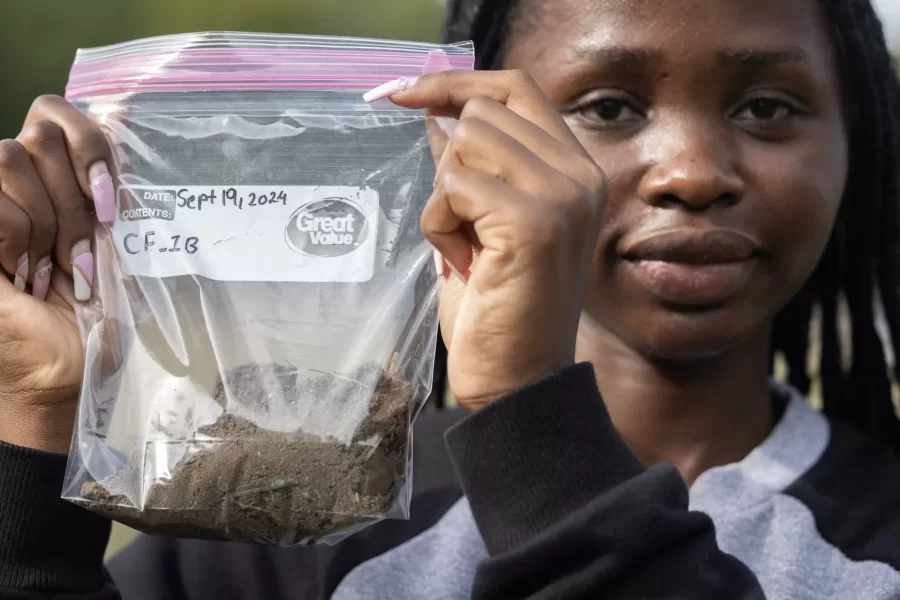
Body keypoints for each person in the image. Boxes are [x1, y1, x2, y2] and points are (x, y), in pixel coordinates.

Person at [2, 0, 900, 597]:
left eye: (770, 109)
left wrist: (526, 407)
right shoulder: (279, 517)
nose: (694, 174)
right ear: (453, 139)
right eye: (609, 106)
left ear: (861, 145)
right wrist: (31, 438)